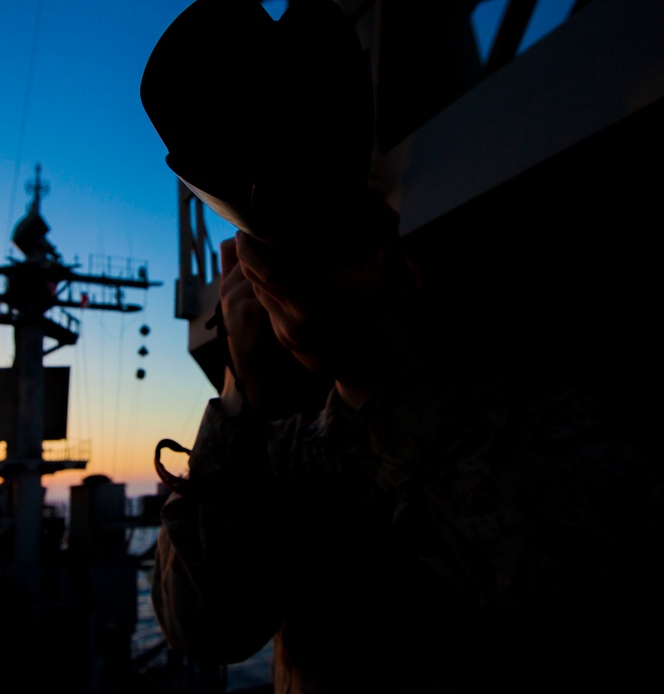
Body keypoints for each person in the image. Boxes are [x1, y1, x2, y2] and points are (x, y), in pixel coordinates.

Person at [150, 187, 663, 692]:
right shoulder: (285, 452)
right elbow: (201, 626)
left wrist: (370, 376)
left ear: (408, 274)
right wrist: (239, 390)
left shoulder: (551, 419)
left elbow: (592, 594)